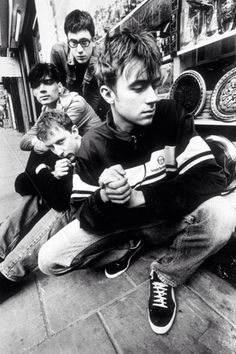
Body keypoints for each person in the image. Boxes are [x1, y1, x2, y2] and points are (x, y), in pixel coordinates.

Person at [37, 30, 236, 335]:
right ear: (108, 94)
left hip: (166, 218)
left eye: (155, 84)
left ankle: (166, 275)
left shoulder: (171, 116)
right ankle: (130, 246)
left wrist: (143, 198)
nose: (152, 97)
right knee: (48, 260)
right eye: (139, 87)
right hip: (120, 227)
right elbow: (82, 215)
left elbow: (213, 177)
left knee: (224, 215)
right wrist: (104, 196)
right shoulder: (92, 146)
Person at [0, 111, 81, 297]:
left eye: (60, 142)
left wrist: (45, 173)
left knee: (58, 208)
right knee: (34, 196)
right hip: (67, 202)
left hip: (87, 214)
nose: (58, 151)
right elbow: (23, 183)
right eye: (51, 147)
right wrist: (45, 171)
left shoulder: (86, 147)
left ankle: (7, 272)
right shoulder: (57, 151)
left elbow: (61, 204)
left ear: (75, 131)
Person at [50, 9, 109, 119]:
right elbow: (55, 91)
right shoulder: (58, 53)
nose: (80, 50)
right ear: (67, 40)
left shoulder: (103, 55)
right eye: (73, 42)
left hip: (97, 113)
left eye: (84, 42)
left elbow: (96, 99)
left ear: (93, 40)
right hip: (69, 109)